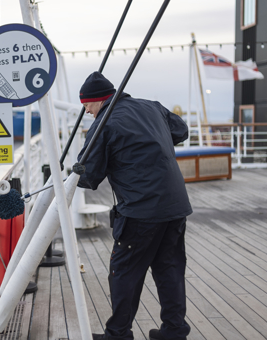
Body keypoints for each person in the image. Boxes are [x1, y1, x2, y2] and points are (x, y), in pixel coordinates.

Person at [76, 71, 193, 340]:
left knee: (125, 272)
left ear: (97, 101)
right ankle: (174, 331)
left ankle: (118, 334)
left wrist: (74, 170)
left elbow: (89, 176)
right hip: (175, 206)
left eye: (87, 107)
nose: (89, 113)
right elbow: (181, 130)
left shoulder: (104, 123)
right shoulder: (151, 107)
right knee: (170, 268)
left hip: (141, 212)